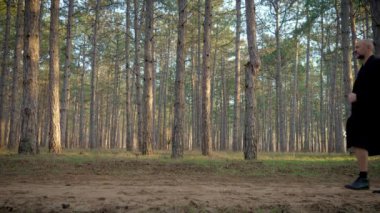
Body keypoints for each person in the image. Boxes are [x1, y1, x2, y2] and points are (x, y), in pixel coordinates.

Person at [344, 39, 380, 192]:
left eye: (358, 47)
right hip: (363, 114)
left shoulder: (376, 64)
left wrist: (358, 97)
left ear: (368, 47)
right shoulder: (365, 67)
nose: (356, 50)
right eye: (355, 47)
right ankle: (363, 178)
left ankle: (363, 178)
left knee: (361, 141)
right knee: (360, 141)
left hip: (372, 113)